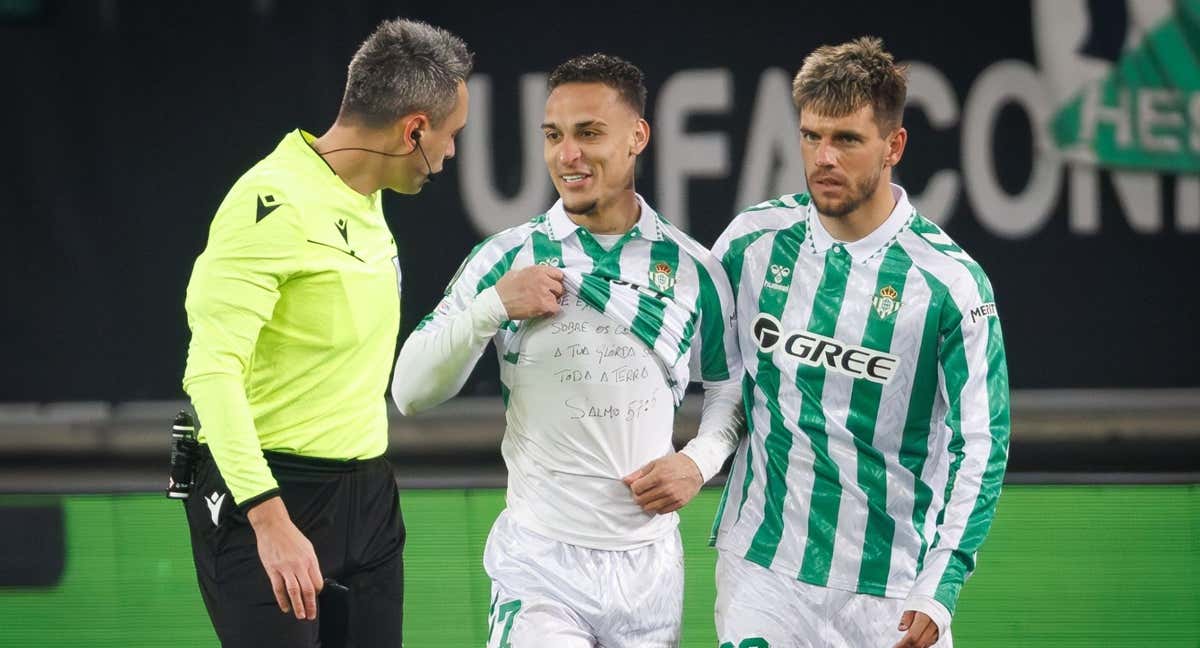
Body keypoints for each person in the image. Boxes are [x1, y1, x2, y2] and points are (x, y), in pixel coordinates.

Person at [391, 53, 743, 648]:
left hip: (649, 571)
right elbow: (410, 391)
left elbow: (732, 388)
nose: (567, 155)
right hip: (540, 563)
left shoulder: (693, 269)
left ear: (638, 137)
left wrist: (698, 462)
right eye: (553, 136)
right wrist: (492, 307)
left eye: (589, 134)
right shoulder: (507, 257)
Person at [709, 37, 1010, 648]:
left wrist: (943, 580)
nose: (823, 157)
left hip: (892, 588)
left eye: (846, 139)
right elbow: (697, 362)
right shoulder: (752, 242)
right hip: (763, 572)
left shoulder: (950, 283)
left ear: (893, 145)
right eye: (811, 136)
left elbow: (981, 441)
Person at [180, 18, 471, 647]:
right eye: (450, 138)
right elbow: (211, 371)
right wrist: (268, 517)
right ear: (413, 130)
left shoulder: (370, 200)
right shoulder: (270, 201)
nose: (449, 156)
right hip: (272, 496)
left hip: (367, 499)